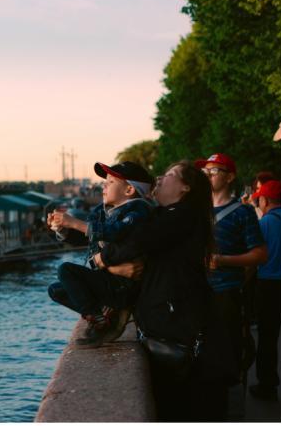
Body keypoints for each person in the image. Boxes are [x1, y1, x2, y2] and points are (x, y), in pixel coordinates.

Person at [93, 161, 234, 421]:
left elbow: (137, 241)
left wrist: (103, 259)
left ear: (185, 188)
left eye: (169, 175)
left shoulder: (181, 216)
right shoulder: (168, 215)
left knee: (182, 408)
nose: (160, 178)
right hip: (171, 331)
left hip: (180, 335)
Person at [46, 161, 154, 347]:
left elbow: (115, 232)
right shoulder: (103, 210)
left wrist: (75, 223)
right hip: (108, 281)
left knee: (66, 270)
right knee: (56, 291)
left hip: (123, 285)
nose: (104, 186)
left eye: (111, 182)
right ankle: (106, 314)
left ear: (129, 190)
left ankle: (99, 320)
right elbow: (87, 237)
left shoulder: (138, 210)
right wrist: (63, 229)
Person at [194, 152, 267, 389]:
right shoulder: (198, 211)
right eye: (205, 172)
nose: (208, 176)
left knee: (226, 355)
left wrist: (223, 260)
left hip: (226, 293)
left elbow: (260, 254)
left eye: (214, 171)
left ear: (230, 177)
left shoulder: (242, 212)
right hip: (197, 291)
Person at [249, 180, 281, 401]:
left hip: (270, 285)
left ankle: (267, 385)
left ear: (265, 200)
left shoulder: (265, 223)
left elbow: (254, 257)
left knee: (268, 337)